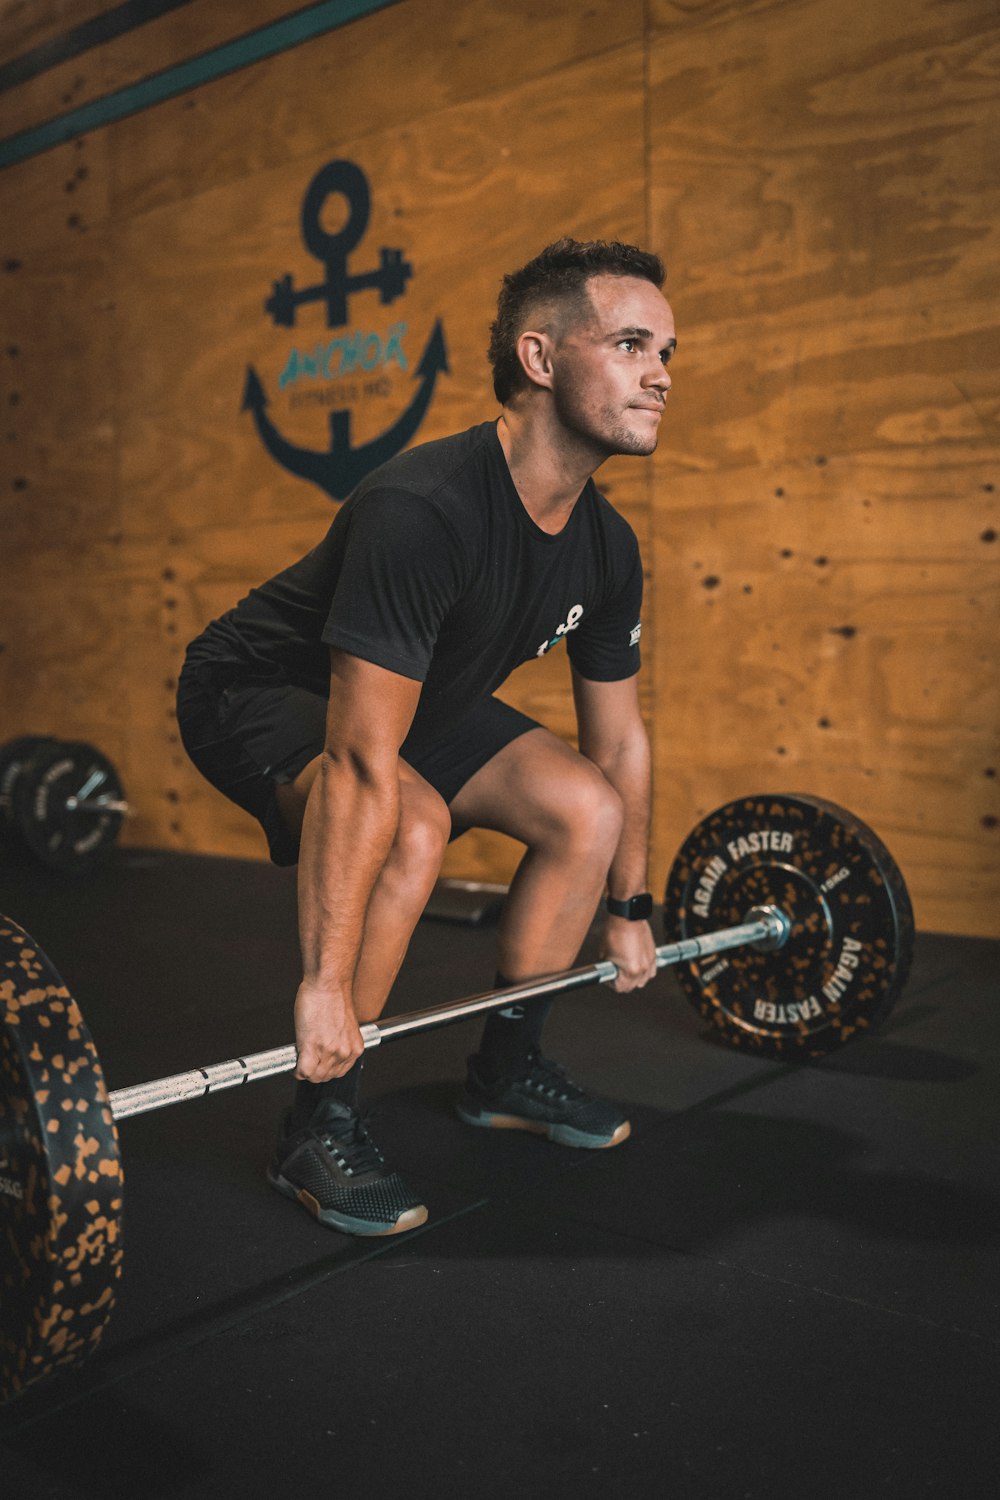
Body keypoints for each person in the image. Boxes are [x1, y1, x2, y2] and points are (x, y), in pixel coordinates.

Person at [176, 236, 677, 1238]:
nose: (660, 373)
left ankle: (506, 1070)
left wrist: (629, 905)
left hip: (417, 697)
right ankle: (318, 1122)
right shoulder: (424, 509)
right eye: (630, 343)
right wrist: (323, 986)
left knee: (587, 808)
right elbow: (364, 760)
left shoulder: (605, 544)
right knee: (411, 826)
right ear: (538, 359)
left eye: (668, 351)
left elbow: (616, 744)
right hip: (263, 690)